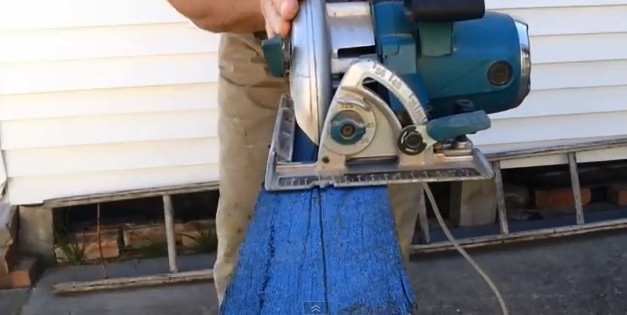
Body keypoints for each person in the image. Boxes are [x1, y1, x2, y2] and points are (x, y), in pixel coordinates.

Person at [166, 0, 423, 306]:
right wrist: (263, 6)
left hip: (390, 47)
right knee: (254, 262)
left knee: (375, 265)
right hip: (266, 48)